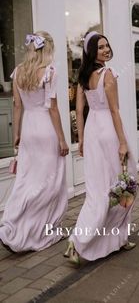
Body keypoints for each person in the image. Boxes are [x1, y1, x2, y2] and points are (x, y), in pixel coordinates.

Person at [64, 31, 137, 263]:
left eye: (107, 45)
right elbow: (114, 110)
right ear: (92, 52)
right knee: (123, 184)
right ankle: (84, 240)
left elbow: (78, 110)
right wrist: (123, 142)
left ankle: (113, 239)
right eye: (100, 47)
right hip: (108, 131)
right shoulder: (108, 74)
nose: (106, 50)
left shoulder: (83, 76)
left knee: (98, 191)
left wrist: (82, 138)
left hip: (94, 131)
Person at [0, 31, 69, 252]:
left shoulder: (19, 71)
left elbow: (17, 106)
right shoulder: (49, 72)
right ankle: (40, 230)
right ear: (47, 49)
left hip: (29, 130)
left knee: (26, 180)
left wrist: (17, 133)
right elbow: (53, 108)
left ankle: (12, 224)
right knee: (50, 182)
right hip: (46, 130)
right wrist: (62, 139)